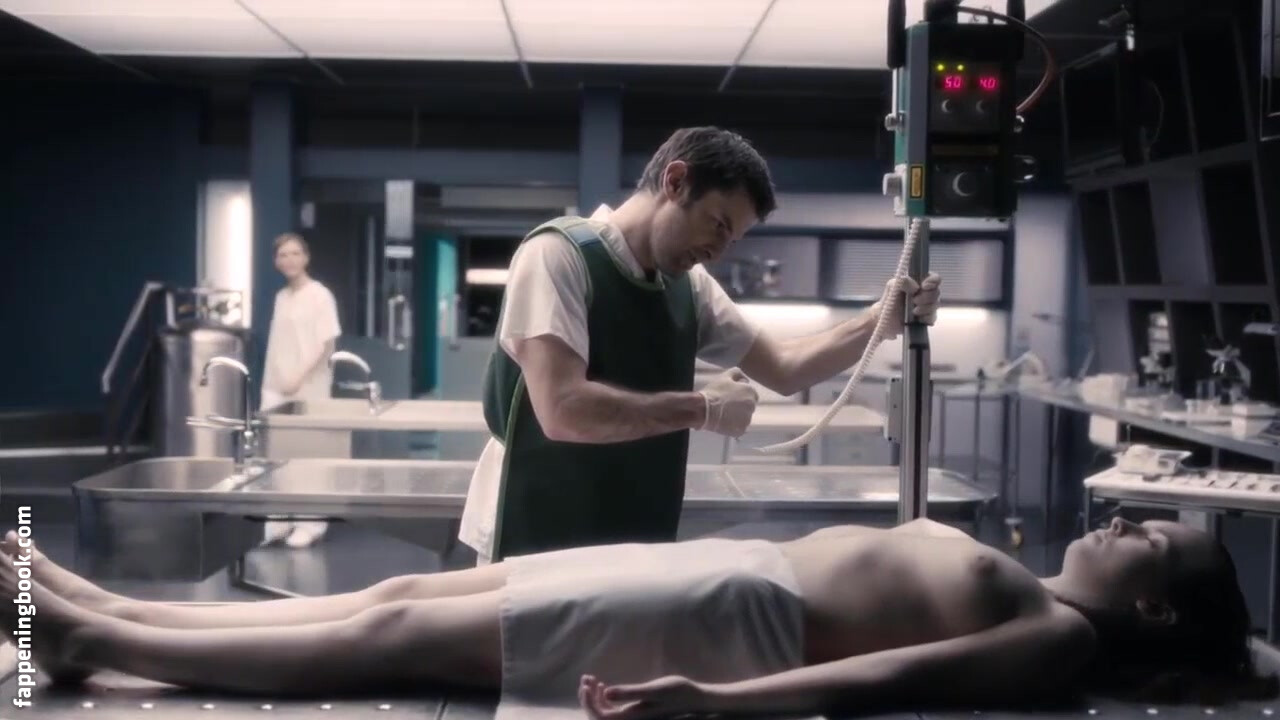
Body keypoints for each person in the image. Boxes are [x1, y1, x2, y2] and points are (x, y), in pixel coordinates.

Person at [2, 516, 1272, 718]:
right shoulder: (1042, 591)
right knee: (403, 595)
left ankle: (91, 642)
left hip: (737, 617)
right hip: (726, 570)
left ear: (1153, 603)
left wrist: (717, 705)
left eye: (1143, 539)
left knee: (398, 644)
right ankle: (110, 602)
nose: (1116, 521)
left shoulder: (1061, 635)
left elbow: (882, 683)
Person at [463, 126, 943, 564]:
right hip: (536, 518)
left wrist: (877, 320)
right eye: (718, 224)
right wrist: (703, 409)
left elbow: (783, 367)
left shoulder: (688, 286)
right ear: (675, 182)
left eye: (731, 240)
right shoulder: (558, 256)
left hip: (630, 522)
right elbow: (563, 409)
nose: (717, 250)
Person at [259, 232, 342, 548]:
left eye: (295, 253)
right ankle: (280, 520)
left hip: (308, 387)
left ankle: (311, 522)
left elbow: (326, 343)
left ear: (306, 257)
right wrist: (280, 379)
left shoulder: (320, 295)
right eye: (283, 255)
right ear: (275, 261)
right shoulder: (282, 297)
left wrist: (297, 376)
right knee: (277, 457)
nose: (289, 260)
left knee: (309, 456)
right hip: (275, 387)